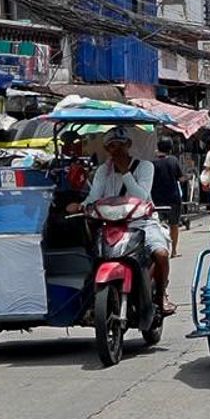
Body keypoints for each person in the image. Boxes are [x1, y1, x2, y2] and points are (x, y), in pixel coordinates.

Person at [67, 126, 174, 314]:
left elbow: (141, 196)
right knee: (93, 257)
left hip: (142, 222)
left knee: (161, 254)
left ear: (129, 145)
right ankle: (93, 302)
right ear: (107, 149)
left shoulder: (145, 167)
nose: (116, 150)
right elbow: (94, 196)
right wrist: (82, 205)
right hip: (111, 225)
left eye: (121, 145)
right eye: (112, 146)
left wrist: (126, 173)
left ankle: (161, 295)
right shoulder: (103, 171)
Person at [150, 138, 189, 257]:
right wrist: (188, 177)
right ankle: (174, 251)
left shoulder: (152, 163)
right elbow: (181, 178)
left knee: (158, 225)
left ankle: (161, 249)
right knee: (174, 225)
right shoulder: (173, 160)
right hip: (173, 198)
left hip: (156, 199)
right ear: (171, 148)